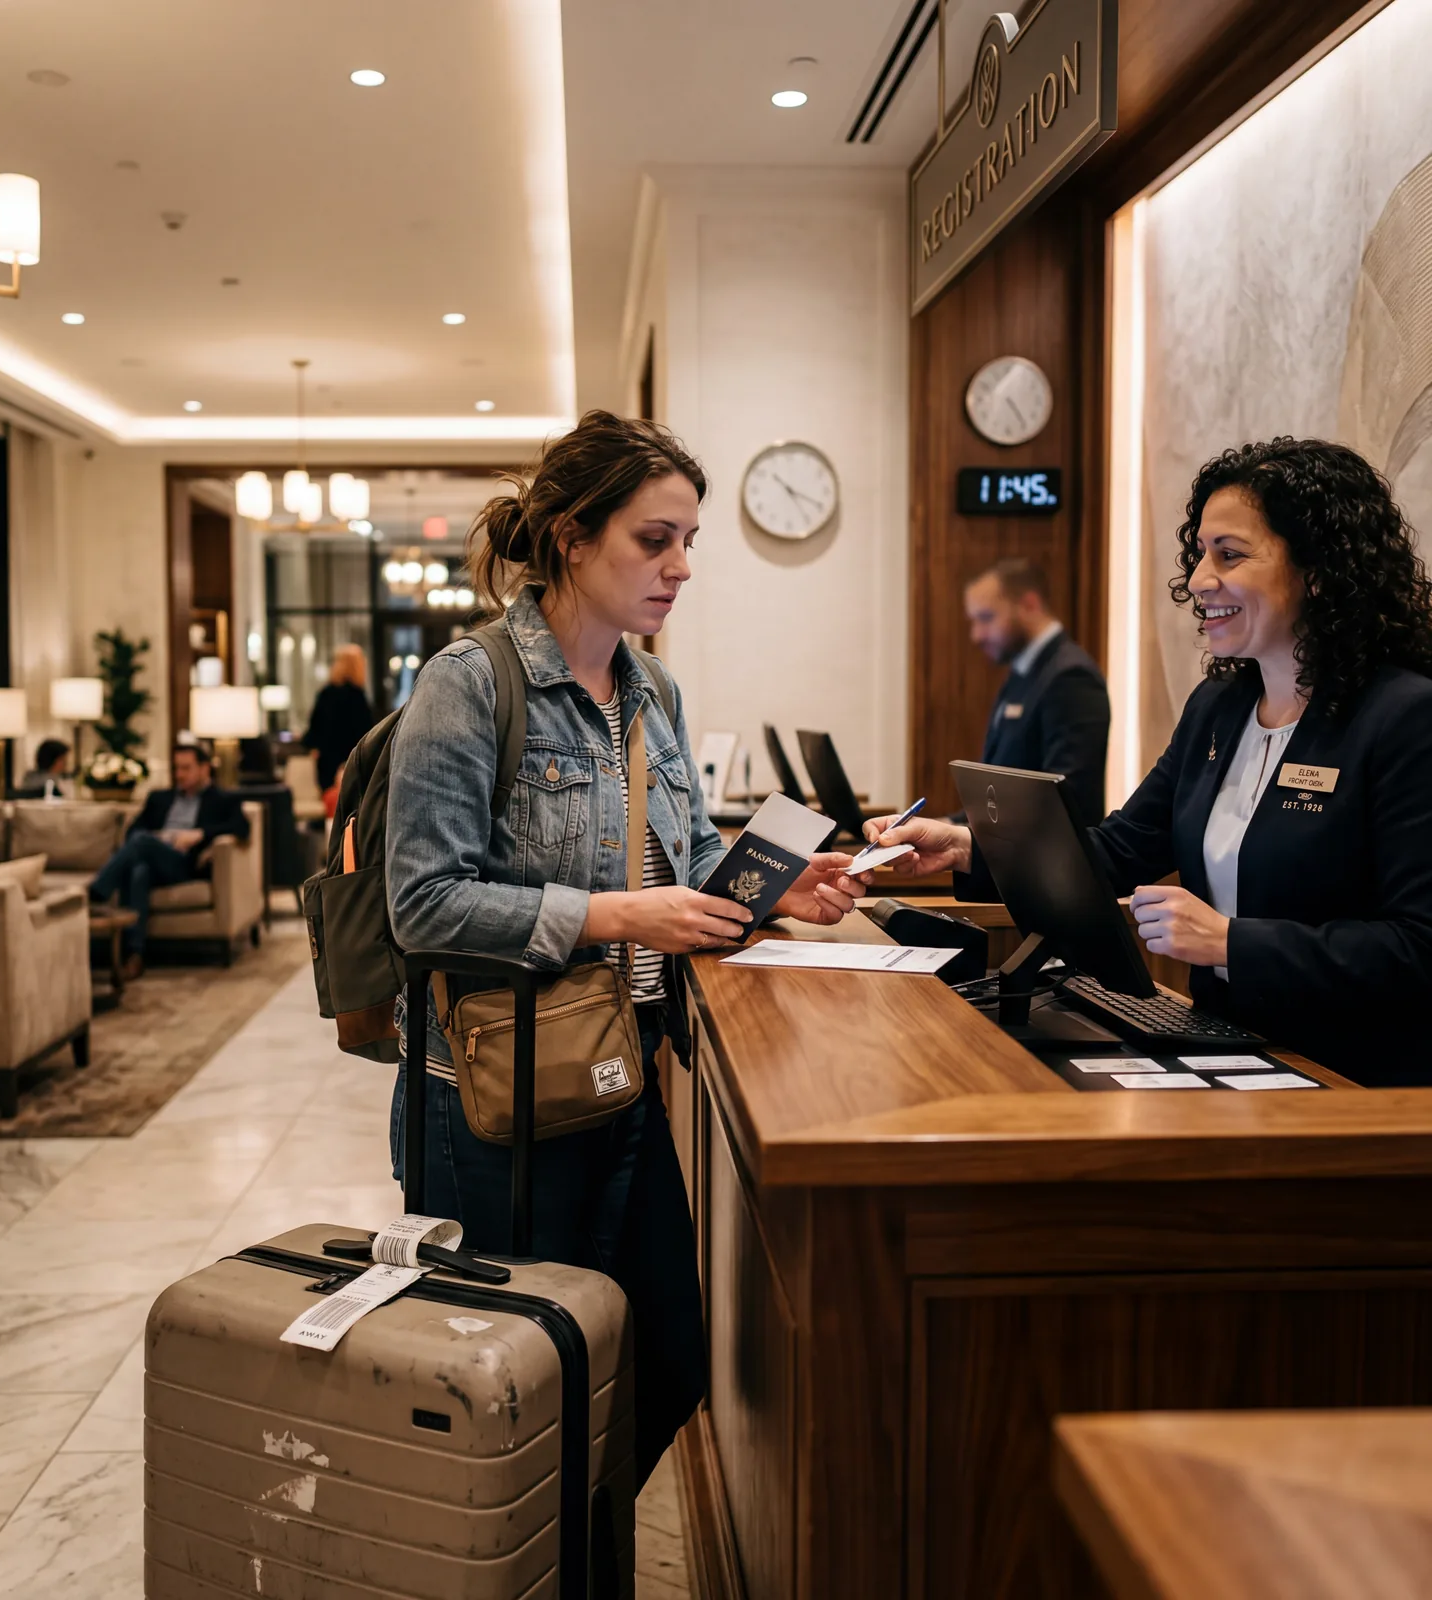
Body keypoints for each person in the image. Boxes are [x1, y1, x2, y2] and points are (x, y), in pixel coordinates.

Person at [385, 410, 871, 1486]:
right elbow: (421, 905)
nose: (681, 567)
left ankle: (579, 1553)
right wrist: (613, 914)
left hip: (620, 1083)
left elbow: (689, 855)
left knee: (663, 1357)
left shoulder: (651, 690)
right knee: (507, 1393)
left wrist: (783, 888)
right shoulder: (469, 686)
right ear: (570, 534)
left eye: (688, 540)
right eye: (655, 540)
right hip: (492, 1103)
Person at [869, 437, 1432, 1087]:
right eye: (1199, 556)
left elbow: (1418, 946)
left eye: (1230, 555)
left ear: (1320, 569)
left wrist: (1229, 942)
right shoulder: (1218, 709)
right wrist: (967, 845)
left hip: (1357, 1085)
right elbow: (1115, 851)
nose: (1197, 581)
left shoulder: (1403, 718)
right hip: (1233, 1053)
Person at [959, 556, 1111, 828]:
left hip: (1049, 865)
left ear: (1029, 604)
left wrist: (964, 835)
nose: (977, 635)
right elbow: (999, 791)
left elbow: (1063, 798)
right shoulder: (1023, 672)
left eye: (986, 618)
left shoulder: (1071, 677)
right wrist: (948, 824)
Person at [88, 742, 250, 978]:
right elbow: (132, 831)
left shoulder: (222, 799)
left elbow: (242, 827)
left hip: (184, 864)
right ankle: (135, 955)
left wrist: (200, 834)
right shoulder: (159, 798)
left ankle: (96, 891)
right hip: (153, 857)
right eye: (177, 769)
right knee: (139, 871)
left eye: (186, 768)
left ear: (204, 769)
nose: (180, 775)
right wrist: (159, 838)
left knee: (143, 841)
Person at [303, 643, 375, 793]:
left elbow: (314, 730)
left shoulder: (326, 694)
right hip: (352, 760)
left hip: (327, 762)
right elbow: (366, 732)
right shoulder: (358, 697)